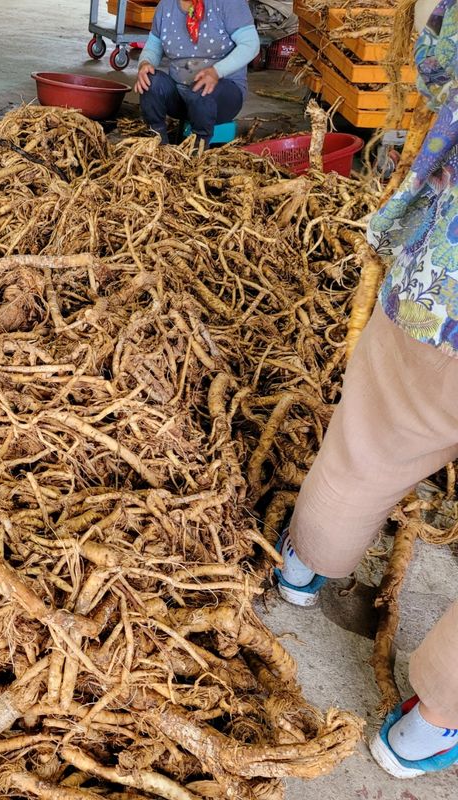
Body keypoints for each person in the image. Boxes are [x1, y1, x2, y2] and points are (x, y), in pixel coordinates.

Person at [274, 0, 458, 780]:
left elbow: (437, 56)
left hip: (440, 283)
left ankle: (302, 570)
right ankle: (429, 726)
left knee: (371, 440)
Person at [134, 0, 259, 145]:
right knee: (150, 81)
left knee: (201, 90)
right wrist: (145, 63)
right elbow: (153, 46)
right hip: (180, 97)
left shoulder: (228, 3)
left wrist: (216, 72)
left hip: (220, 98)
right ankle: (158, 145)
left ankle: (198, 149)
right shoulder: (165, 6)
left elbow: (251, 44)